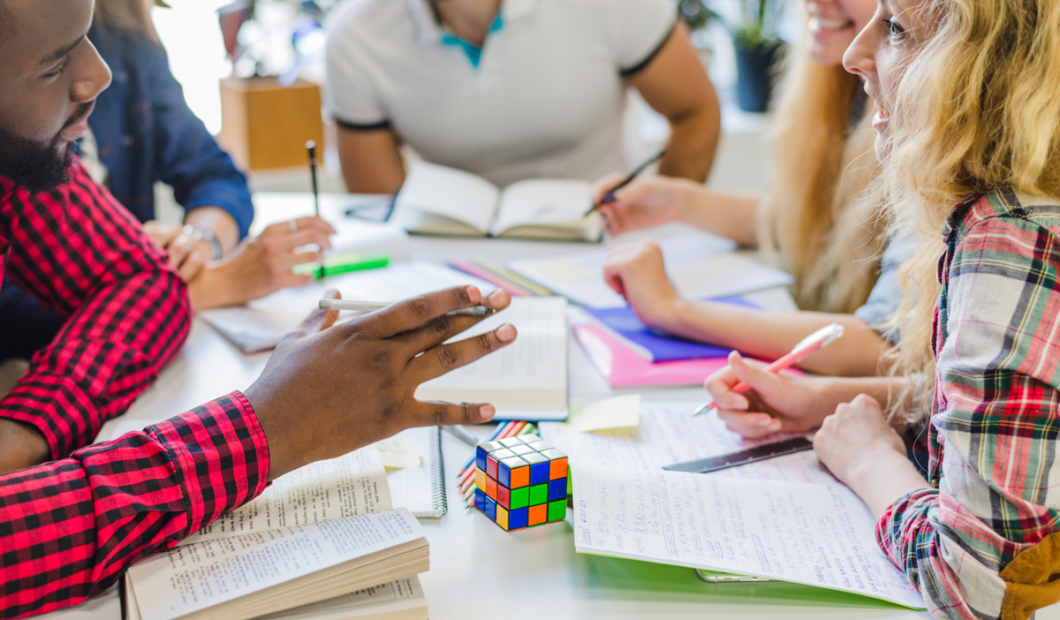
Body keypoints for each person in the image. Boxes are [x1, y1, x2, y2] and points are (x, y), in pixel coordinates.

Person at [0, 1, 515, 617]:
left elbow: (144, 281)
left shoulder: (20, 157)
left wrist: (26, 431)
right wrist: (269, 428)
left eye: (86, 39)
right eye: (56, 62)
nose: (98, 75)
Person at [712, 0, 1060, 615]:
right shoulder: (1009, 210)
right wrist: (844, 406)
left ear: (980, 66)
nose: (853, 55)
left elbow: (977, 586)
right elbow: (1028, 418)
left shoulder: (1013, 238)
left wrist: (873, 462)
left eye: (895, 28)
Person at [0, 0, 335, 360]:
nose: (100, 76)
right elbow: (10, 315)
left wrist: (197, 245)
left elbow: (215, 172)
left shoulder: (124, 35)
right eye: (55, 65)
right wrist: (204, 287)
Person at [599, 0, 910, 378]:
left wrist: (673, 309)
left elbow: (886, 344)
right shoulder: (843, 91)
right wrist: (678, 201)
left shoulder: (915, 121)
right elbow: (806, 220)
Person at [325, 0, 722, 194]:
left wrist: (667, 220)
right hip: (451, 262)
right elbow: (379, 203)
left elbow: (695, 110)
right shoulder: (356, 36)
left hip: (601, 238)